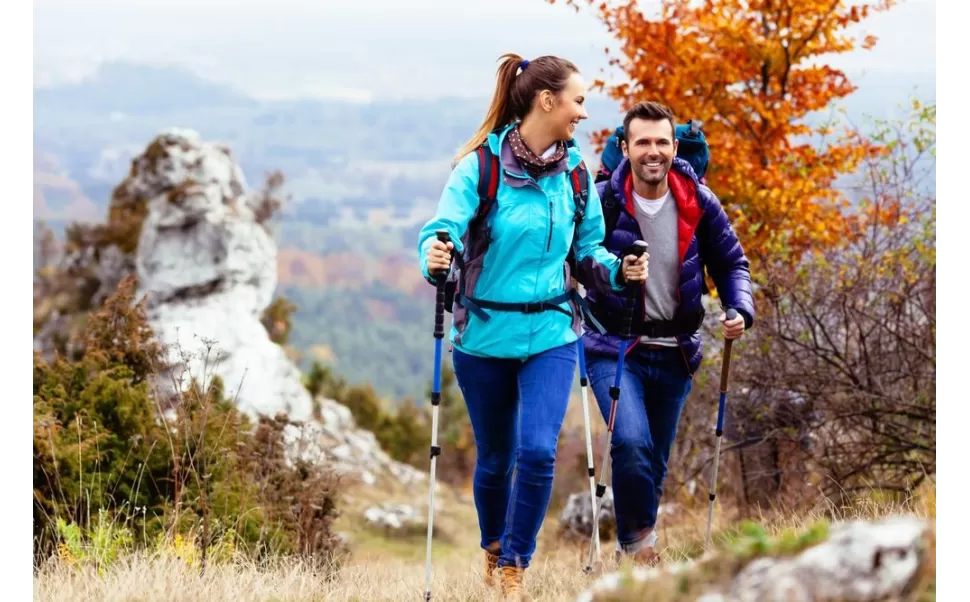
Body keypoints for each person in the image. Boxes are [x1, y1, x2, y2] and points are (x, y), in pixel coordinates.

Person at [417, 53, 648, 599]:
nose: (584, 114)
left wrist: (619, 270)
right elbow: (441, 229)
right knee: (496, 460)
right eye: (578, 100)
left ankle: (515, 567)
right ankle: (493, 546)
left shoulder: (575, 173)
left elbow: (588, 249)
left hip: (552, 332)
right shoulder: (481, 167)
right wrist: (433, 254)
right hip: (485, 335)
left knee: (540, 450)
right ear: (547, 100)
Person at [576, 100, 754, 565]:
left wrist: (740, 308)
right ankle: (641, 551)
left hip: (676, 348)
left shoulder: (699, 200)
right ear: (625, 147)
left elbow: (732, 262)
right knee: (631, 441)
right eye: (642, 142)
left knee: (653, 461)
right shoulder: (603, 202)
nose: (652, 151)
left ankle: (631, 550)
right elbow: (579, 261)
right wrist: (610, 274)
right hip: (613, 345)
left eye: (661, 142)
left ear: (675, 148)